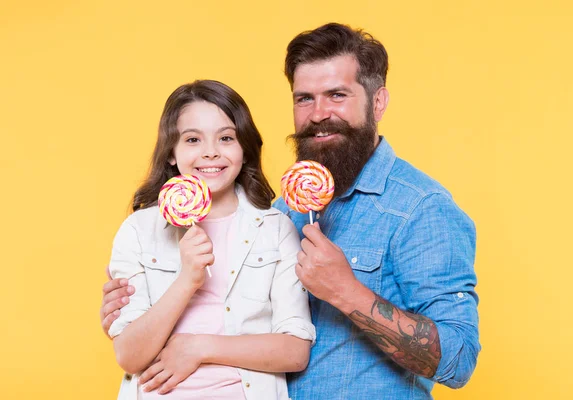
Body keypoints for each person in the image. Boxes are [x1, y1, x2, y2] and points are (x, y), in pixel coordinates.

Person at [101, 23, 480, 400]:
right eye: (304, 98)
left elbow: (459, 360)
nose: (318, 114)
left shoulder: (420, 208)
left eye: (337, 95)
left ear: (378, 102)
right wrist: (136, 312)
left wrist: (347, 293)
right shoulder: (285, 212)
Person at [105, 79, 315, 400]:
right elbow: (130, 355)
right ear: (172, 154)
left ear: (244, 150)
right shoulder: (138, 230)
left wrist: (200, 346)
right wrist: (188, 279)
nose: (210, 152)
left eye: (226, 138)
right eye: (192, 139)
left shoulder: (275, 229)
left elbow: (295, 351)